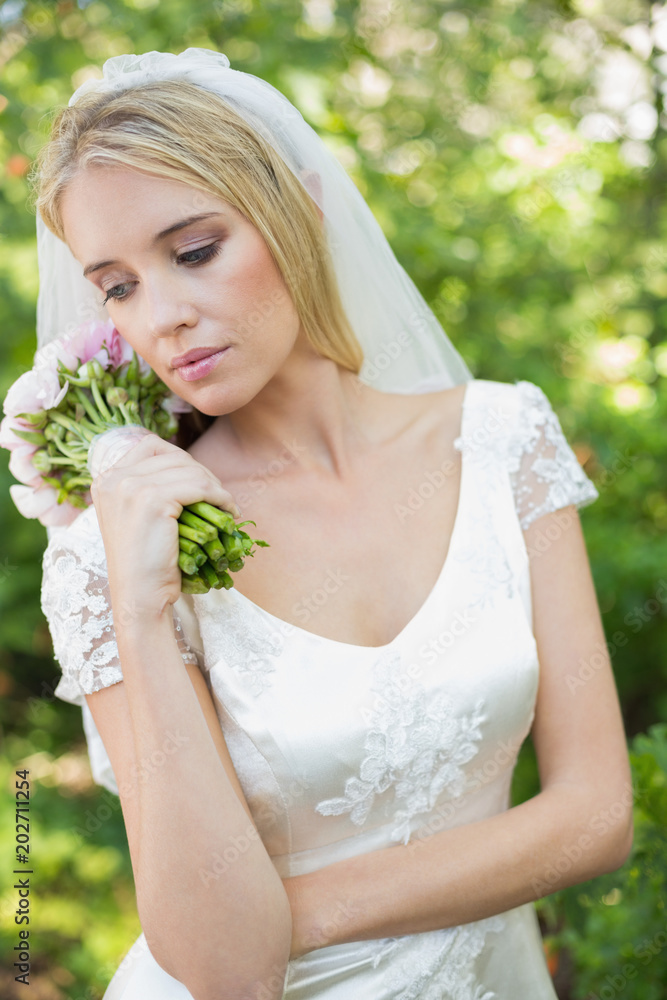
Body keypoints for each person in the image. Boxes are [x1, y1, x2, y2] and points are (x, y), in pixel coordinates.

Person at [33, 47, 633, 1000]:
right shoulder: (114, 553)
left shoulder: (503, 440)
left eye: (193, 252)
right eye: (117, 285)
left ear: (302, 213)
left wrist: (288, 914)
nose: (163, 316)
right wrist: (139, 607)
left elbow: (596, 813)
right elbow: (225, 968)